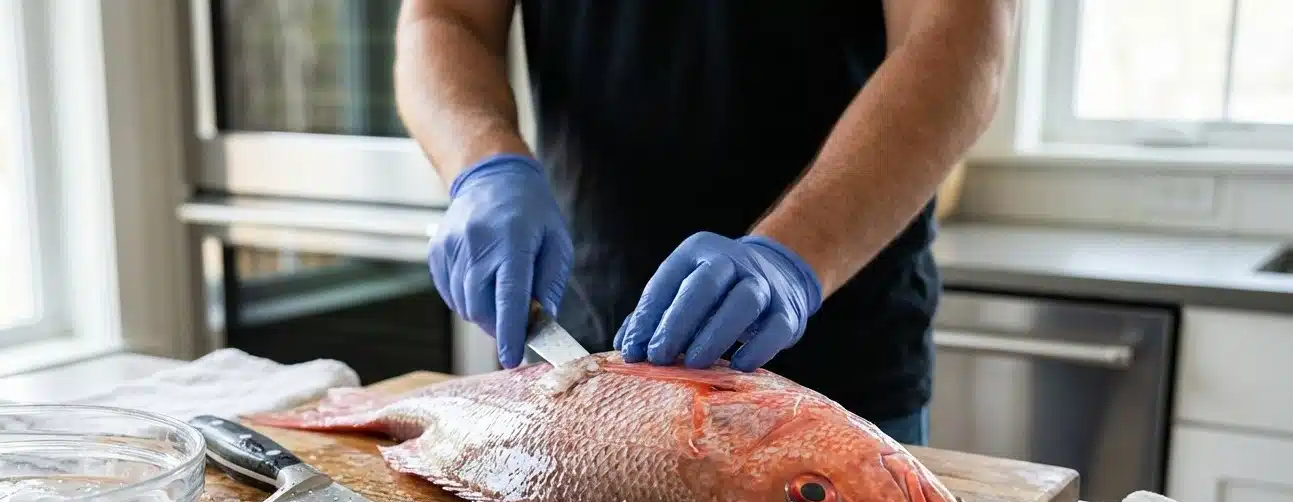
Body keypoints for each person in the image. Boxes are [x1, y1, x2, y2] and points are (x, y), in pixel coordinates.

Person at [395, 0, 1017, 445]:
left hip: (839, 372)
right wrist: (483, 165)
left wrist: (797, 255)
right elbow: (443, 17)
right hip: (576, 365)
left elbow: (958, 36)